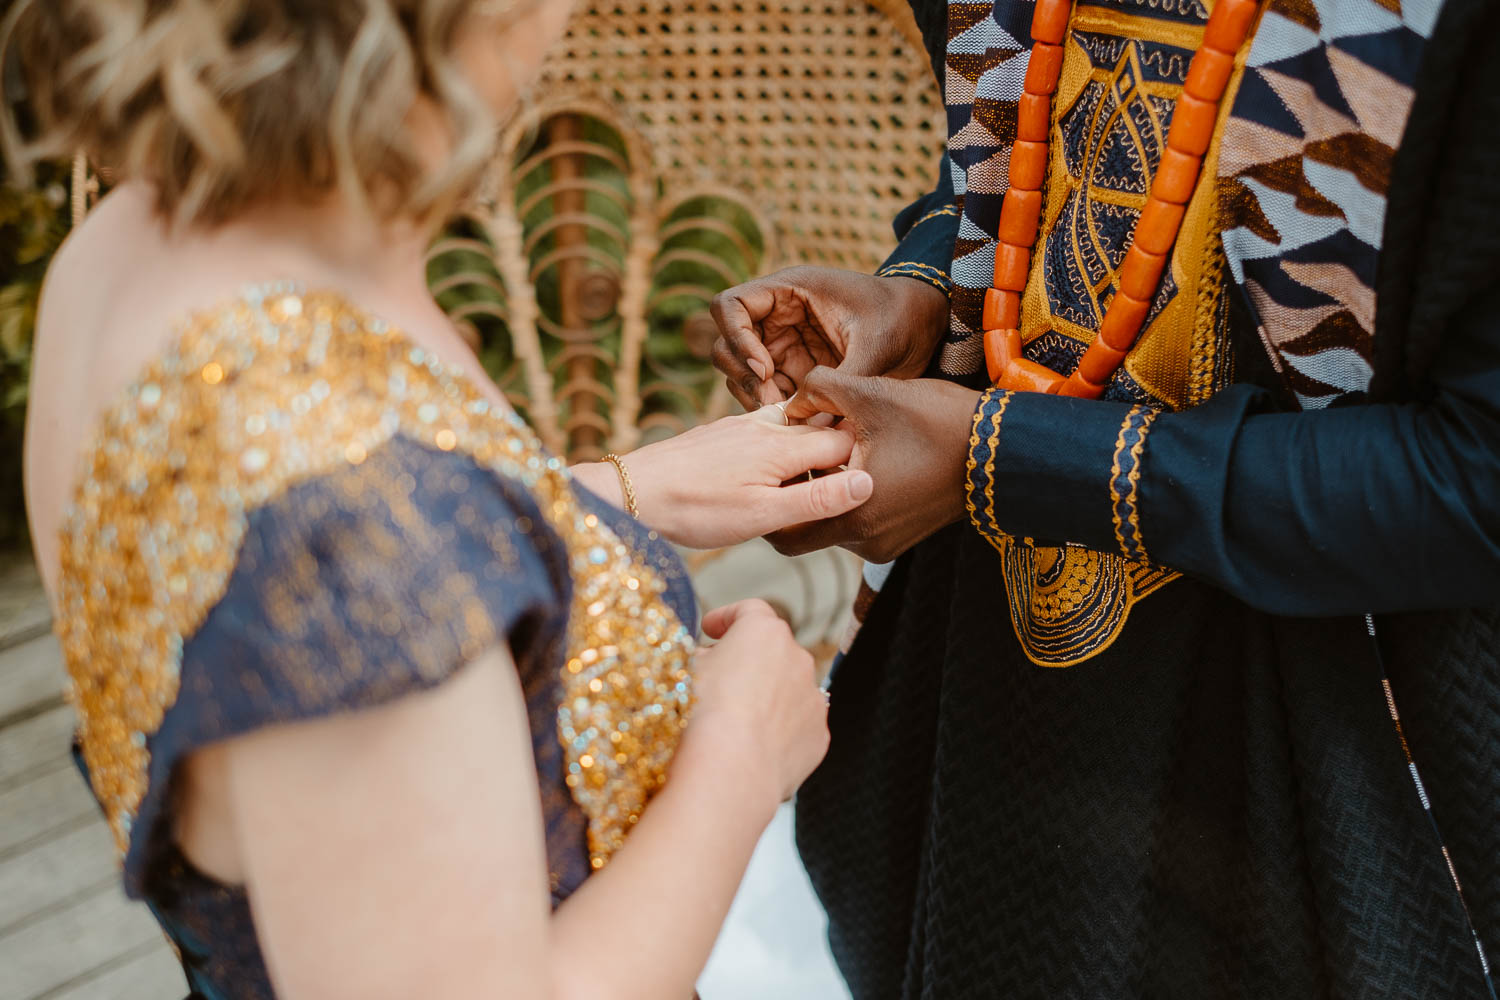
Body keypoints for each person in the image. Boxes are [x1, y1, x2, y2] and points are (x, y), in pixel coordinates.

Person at [3, 1, 878, 996]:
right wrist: (738, 759)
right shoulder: (356, 537)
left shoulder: (129, 248)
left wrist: (598, 498)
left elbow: (247, 566)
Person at [713, 0, 1500, 996]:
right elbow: (1048, 161)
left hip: (1340, 778)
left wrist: (994, 461)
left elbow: (1477, 479)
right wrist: (922, 294)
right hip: (997, 737)